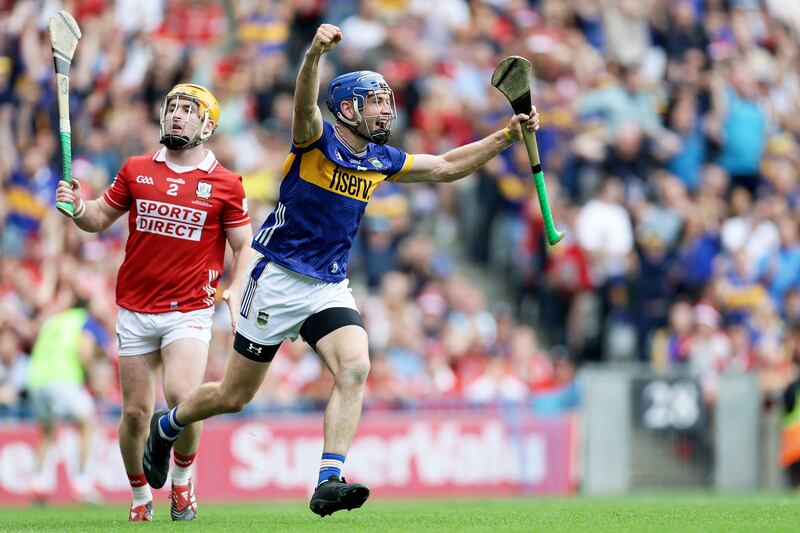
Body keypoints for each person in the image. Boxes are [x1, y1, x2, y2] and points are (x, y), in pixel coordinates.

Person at [143, 24, 539, 517]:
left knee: (355, 366)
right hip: (277, 278)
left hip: (328, 284)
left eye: (386, 101)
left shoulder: (379, 159)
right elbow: (304, 103)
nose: (385, 109)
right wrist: (312, 56)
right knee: (234, 394)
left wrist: (506, 135)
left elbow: (445, 166)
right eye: (375, 102)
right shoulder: (316, 141)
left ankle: (328, 478)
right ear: (348, 108)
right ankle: (167, 425)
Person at [55, 84, 253, 522]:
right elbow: (98, 218)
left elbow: (245, 246)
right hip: (136, 308)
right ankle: (140, 494)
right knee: (136, 413)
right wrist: (76, 206)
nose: (177, 116)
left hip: (190, 309)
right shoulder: (136, 169)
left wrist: (236, 287)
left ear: (208, 125)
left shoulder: (225, 183)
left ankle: (182, 483)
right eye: (173, 108)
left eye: (188, 110)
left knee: (183, 397)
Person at [26, 303, 105, 504]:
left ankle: (38, 484)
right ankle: (82, 485)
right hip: (63, 378)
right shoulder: (86, 320)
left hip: (36, 379)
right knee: (88, 422)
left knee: (47, 431)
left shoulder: (54, 321)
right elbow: (84, 350)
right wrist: (93, 378)